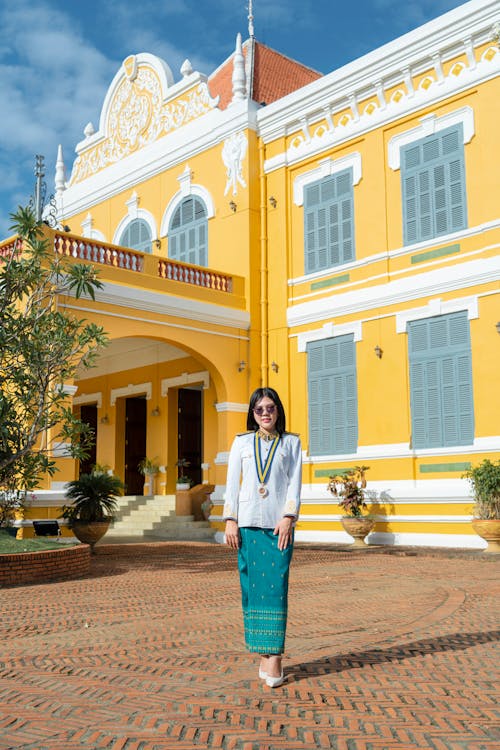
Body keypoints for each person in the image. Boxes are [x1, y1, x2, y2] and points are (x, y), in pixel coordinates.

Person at [223, 387, 302, 688]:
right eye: (259, 409)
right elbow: (232, 484)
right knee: (252, 591)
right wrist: (230, 520)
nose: (265, 413)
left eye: (270, 407)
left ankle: (276, 658)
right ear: (252, 414)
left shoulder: (291, 443)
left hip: (278, 526)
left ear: (278, 410)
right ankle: (263, 656)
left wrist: (288, 517)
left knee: (276, 590)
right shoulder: (241, 443)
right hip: (247, 525)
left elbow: (294, 483)